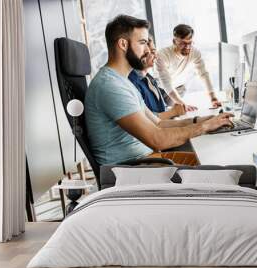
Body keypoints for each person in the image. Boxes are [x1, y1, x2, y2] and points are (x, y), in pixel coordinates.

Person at [84, 15, 233, 166]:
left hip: (147, 160)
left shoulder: (123, 81)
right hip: (131, 170)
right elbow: (158, 139)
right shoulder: (111, 86)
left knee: (214, 158)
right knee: (222, 167)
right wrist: (205, 127)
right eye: (142, 43)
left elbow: (159, 124)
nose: (148, 50)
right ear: (123, 44)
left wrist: (204, 120)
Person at [155, 24, 221, 111]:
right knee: (168, 109)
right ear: (174, 41)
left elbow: (203, 74)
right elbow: (166, 83)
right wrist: (183, 104)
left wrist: (213, 98)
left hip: (179, 88)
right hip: (161, 89)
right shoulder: (162, 55)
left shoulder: (194, 52)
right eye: (183, 43)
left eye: (190, 43)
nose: (187, 47)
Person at [128, 36, 186, 120]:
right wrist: (173, 112)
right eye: (151, 52)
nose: (155, 55)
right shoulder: (132, 82)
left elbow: (162, 108)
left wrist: (175, 110)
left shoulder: (149, 78)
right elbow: (143, 120)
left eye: (154, 51)